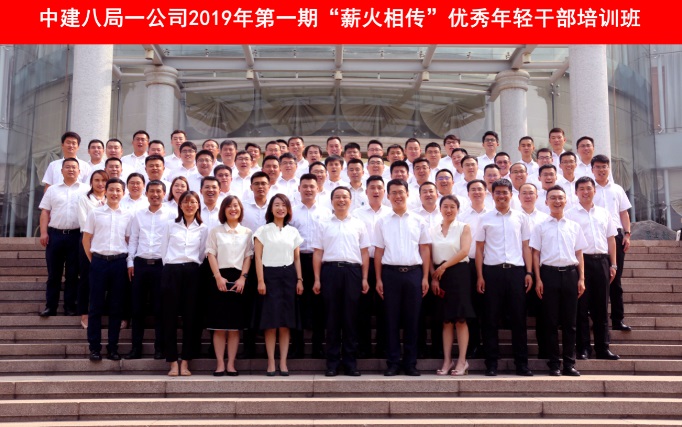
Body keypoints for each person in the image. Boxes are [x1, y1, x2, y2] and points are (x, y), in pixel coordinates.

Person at [475, 179, 533, 376]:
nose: (501, 196)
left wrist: (529, 272)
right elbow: (479, 249)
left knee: (518, 319)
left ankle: (522, 364)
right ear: (492, 195)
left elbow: (526, 246)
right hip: (492, 272)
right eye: (498, 192)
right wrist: (480, 276)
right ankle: (491, 363)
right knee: (490, 319)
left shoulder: (520, 217)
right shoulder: (484, 218)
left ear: (511, 194)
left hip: (516, 272)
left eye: (504, 192)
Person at [374, 179, 432, 376]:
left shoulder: (418, 220)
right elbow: (379, 251)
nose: (397, 196)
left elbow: (425, 249)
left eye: (401, 192)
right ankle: (393, 362)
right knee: (390, 319)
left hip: (414, 274)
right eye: (393, 193)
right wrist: (378, 279)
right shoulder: (382, 221)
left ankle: (410, 363)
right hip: (390, 274)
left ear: (407, 194)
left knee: (412, 320)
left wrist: (425, 277)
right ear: (388, 196)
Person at [313, 187, 370, 376]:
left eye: (345, 197)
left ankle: (350, 363)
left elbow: (364, 253)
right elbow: (318, 252)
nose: (341, 200)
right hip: (330, 271)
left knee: (351, 318)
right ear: (331, 201)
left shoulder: (359, 224)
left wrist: (364, 278)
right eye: (337, 197)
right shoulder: (323, 224)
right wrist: (317, 279)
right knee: (332, 318)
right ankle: (332, 363)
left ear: (350, 200)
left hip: (353, 272)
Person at [530, 185, 587, 376]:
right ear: (546, 202)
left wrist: (581, 278)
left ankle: (569, 364)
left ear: (566, 201)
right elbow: (535, 254)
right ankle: (554, 364)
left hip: (570, 274)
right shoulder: (540, 227)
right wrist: (538, 279)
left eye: (560, 198)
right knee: (551, 322)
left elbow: (579, 253)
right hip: (548, 275)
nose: (557, 201)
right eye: (553, 198)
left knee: (570, 323)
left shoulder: (574, 226)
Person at [567, 176, 621, 361]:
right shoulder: (570, 214)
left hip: (601, 262)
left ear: (594, 191)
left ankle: (603, 347)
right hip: (581, 263)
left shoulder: (604, 213)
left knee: (601, 307)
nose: (585, 192)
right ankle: (583, 348)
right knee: (581, 308)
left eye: (588, 188)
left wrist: (613, 264)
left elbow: (611, 239)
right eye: (581, 189)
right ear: (576, 192)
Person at [82, 178, 133, 362]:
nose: (114, 193)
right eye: (111, 189)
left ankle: (113, 348)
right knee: (95, 307)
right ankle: (94, 348)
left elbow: (128, 240)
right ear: (106, 191)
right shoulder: (95, 213)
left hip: (119, 263)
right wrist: (94, 260)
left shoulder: (128, 215)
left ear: (123, 193)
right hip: (99, 262)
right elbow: (86, 239)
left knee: (116, 308)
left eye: (118, 190)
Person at [253, 194, 304, 376]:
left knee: (285, 323)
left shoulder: (293, 231)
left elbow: (297, 258)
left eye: (284, 205)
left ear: (288, 209)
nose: (280, 208)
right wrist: (260, 281)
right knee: (271, 322)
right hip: (269, 277)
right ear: (271, 208)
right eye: (276, 205)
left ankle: (283, 362)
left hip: (288, 276)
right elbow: (258, 258)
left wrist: (300, 279)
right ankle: (271, 362)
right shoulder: (262, 231)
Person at [159, 190, 207, 376]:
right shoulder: (170, 225)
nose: (189, 205)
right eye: (186, 202)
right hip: (172, 271)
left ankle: (185, 361)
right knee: (169, 317)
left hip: (193, 273)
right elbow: (164, 251)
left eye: (193, 202)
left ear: (198, 205)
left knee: (191, 318)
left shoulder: (203, 228)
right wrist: (170, 269)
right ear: (180, 205)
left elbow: (201, 253)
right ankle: (172, 362)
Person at [205, 195, 254, 376]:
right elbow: (210, 254)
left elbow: (248, 256)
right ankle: (220, 364)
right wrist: (218, 277)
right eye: (229, 206)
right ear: (223, 210)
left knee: (234, 327)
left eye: (236, 206)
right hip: (219, 278)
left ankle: (231, 364)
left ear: (240, 209)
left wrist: (243, 278)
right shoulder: (215, 231)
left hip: (239, 280)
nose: (233, 209)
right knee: (219, 326)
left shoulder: (247, 232)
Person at [125, 180, 173, 360]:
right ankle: (135, 349)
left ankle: (159, 348)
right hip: (140, 265)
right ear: (146, 194)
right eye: (151, 191)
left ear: (164, 194)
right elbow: (134, 239)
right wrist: (130, 262)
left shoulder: (171, 214)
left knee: (160, 309)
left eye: (158, 191)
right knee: (137, 309)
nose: (155, 195)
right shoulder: (138, 214)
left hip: (161, 266)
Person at [430, 195, 475, 376]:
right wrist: (434, 276)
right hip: (439, 275)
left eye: (452, 207)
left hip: (458, 273)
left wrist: (444, 267)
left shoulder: (464, 227)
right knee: (446, 320)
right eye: (445, 206)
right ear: (440, 208)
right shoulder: (433, 229)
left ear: (458, 209)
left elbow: (464, 251)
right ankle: (447, 360)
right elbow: (428, 253)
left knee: (460, 319)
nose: (448, 210)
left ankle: (462, 361)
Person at [289, 174, 333, 359]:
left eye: (311, 186)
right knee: (296, 304)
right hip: (297, 261)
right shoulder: (292, 212)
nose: (308, 189)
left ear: (318, 189)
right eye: (305, 186)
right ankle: (297, 346)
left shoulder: (326, 212)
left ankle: (318, 346)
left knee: (319, 305)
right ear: (299, 189)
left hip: (319, 261)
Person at [38, 158, 86, 317]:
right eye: (67, 167)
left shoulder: (86, 190)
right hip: (55, 235)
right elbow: (45, 211)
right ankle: (50, 307)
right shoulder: (52, 190)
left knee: (73, 274)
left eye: (74, 167)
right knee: (54, 274)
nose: (71, 170)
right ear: (61, 171)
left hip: (76, 236)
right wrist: (44, 232)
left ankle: (69, 307)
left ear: (79, 171)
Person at [591, 154, 632, 331]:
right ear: (592, 169)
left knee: (616, 279)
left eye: (604, 166)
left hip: (615, 236)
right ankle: (596, 319)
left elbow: (624, 213)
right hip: (595, 237)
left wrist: (627, 234)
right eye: (598, 167)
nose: (601, 170)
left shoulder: (617, 189)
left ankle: (617, 319)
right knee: (596, 281)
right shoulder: (588, 188)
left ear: (609, 168)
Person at [353, 176, 392, 358]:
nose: (376, 191)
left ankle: (383, 347)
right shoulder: (357, 214)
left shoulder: (390, 213)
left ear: (384, 192)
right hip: (363, 264)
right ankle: (364, 347)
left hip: (386, 265)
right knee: (363, 308)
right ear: (366, 191)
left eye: (379, 188)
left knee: (385, 308)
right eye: (372, 188)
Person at [457, 179, 488, 360]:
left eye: (480, 189)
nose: (477, 192)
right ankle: (473, 344)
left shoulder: (492, 215)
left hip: (489, 264)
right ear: (468, 194)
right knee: (470, 306)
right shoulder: (462, 217)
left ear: (486, 192)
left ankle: (489, 345)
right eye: (473, 190)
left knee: (488, 306)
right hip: (466, 265)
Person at [76, 170, 109, 329]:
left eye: (104, 180)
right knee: (86, 278)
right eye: (97, 180)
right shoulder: (84, 199)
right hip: (88, 242)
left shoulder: (112, 198)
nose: (100, 184)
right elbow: (84, 223)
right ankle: (84, 312)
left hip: (107, 244)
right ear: (91, 182)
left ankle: (104, 312)